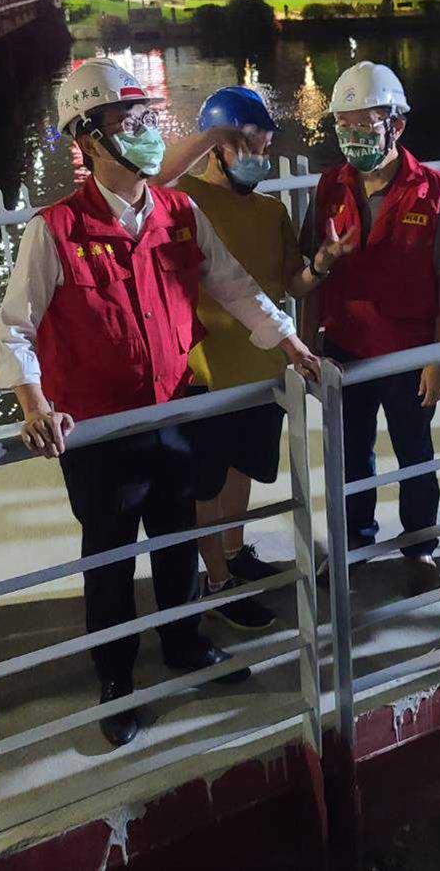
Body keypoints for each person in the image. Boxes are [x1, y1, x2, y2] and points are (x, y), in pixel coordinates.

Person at [0, 59, 322, 748]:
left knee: (175, 543)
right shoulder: (55, 231)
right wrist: (33, 402)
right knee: (110, 560)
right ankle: (116, 679)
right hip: (100, 432)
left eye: (147, 117)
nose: (146, 130)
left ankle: (185, 643)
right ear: (87, 139)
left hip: (176, 411)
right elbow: (15, 327)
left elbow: (233, 284)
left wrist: (288, 340)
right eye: (128, 121)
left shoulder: (178, 212)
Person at [178, 87, 358, 630]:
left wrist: (322, 263)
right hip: (203, 373)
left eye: (266, 146)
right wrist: (209, 137)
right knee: (205, 485)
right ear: (217, 144)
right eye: (250, 145)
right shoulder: (180, 199)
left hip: (261, 369)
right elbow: (144, 189)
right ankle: (215, 581)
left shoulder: (271, 210)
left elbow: (291, 285)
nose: (262, 157)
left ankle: (234, 552)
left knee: (243, 469)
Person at [302, 62, 440, 596]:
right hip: (344, 349)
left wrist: (439, 358)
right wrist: (308, 348)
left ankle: (420, 546)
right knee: (350, 456)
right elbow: (311, 271)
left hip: (408, 353)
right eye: (343, 125)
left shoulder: (434, 190)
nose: (352, 136)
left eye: (364, 125)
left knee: (414, 453)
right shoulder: (329, 186)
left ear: (395, 125)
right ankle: (354, 544)